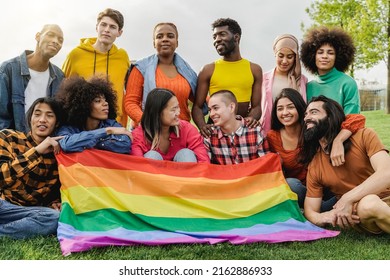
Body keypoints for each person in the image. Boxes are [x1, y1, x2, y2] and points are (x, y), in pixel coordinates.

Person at [300, 95, 390, 234]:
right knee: (368, 203)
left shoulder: (364, 136)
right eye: (306, 114)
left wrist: (347, 198)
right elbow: (311, 211)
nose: (306, 118)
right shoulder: (315, 165)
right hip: (362, 212)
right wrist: (325, 217)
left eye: (314, 112)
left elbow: (386, 173)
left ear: (330, 118)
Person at [268, 88, 365, 209]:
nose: (285, 112)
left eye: (290, 107)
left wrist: (338, 140)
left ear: (299, 108)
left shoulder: (312, 127)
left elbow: (358, 119)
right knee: (291, 184)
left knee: (343, 191)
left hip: (327, 186)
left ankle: (333, 206)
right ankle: (322, 209)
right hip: (302, 190)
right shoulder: (272, 136)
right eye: (280, 109)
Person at [0, 97, 64, 239]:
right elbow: (2, 178)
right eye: (37, 114)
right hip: (2, 203)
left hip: (26, 211)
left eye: (49, 115)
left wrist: (54, 203)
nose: (42, 119)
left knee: (54, 217)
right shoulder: (8, 137)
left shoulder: (58, 155)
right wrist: (36, 151)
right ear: (30, 119)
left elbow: (51, 194)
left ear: (57, 123)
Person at [192, 18, 263, 138]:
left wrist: (251, 119)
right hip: (215, 132)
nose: (217, 39)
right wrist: (203, 126)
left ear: (236, 37)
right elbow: (197, 107)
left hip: (243, 131)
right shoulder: (208, 70)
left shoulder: (254, 69)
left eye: (222, 34)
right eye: (214, 37)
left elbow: (256, 107)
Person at [62, 8, 130, 127]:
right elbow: (63, 90)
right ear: (96, 27)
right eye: (103, 25)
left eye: (112, 27)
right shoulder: (75, 55)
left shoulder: (122, 57)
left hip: (114, 125)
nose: (106, 30)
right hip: (81, 126)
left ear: (120, 32)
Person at [124, 22, 199, 129]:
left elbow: (200, 98)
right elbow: (130, 102)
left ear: (177, 42)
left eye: (170, 36)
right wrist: (147, 122)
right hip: (150, 132)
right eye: (159, 36)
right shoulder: (141, 68)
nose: (165, 39)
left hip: (181, 131)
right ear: (154, 43)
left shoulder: (187, 72)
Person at [0, 24, 64, 133]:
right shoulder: (9, 69)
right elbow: (2, 117)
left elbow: (59, 117)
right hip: (13, 143)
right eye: (50, 35)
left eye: (60, 40)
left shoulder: (60, 76)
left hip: (45, 144)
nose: (55, 41)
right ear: (38, 36)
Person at [56, 76, 132, 154]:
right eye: (98, 101)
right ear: (84, 105)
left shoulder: (112, 124)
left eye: (105, 100)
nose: (105, 103)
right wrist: (106, 131)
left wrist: (83, 142)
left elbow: (124, 145)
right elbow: (66, 145)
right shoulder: (70, 127)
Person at [131, 88, 209, 163]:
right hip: (152, 174)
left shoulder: (187, 129)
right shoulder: (139, 135)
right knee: (152, 156)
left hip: (182, 174)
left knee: (186, 154)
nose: (178, 113)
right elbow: (137, 165)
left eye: (178, 107)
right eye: (173, 109)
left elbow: (203, 160)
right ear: (157, 113)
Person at [300, 26, 360, 114]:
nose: (325, 56)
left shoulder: (348, 83)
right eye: (320, 52)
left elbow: (352, 117)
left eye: (330, 53)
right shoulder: (308, 86)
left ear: (338, 56)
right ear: (312, 56)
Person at [204, 90, 268, 165]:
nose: (211, 114)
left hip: (253, 176)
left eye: (215, 108)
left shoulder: (255, 131)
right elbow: (206, 167)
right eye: (210, 110)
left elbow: (266, 164)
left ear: (231, 107)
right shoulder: (209, 135)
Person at [261, 34, 308, 134]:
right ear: (275, 54)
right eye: (281, 56)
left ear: (295, 57)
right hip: (269, 131)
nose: (284, 61)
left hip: (296, 134)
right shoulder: (263, 79)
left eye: (290, 57)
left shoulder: (302, 80)